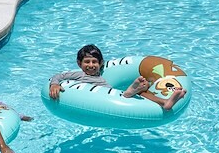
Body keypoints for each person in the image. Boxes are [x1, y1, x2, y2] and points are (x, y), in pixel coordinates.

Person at [48, 44, 186, 110]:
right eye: (87, 62)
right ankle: (132, 90)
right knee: (128, 93)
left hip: (113, 94)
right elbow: (59, 76)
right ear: (79, 64)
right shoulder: (78, 75)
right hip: (101, 97)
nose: (91, 65)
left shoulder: (102, 76)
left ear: (101, 63)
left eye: (95, 62)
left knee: (143, 90)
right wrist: (54, 84)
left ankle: (164, 102)